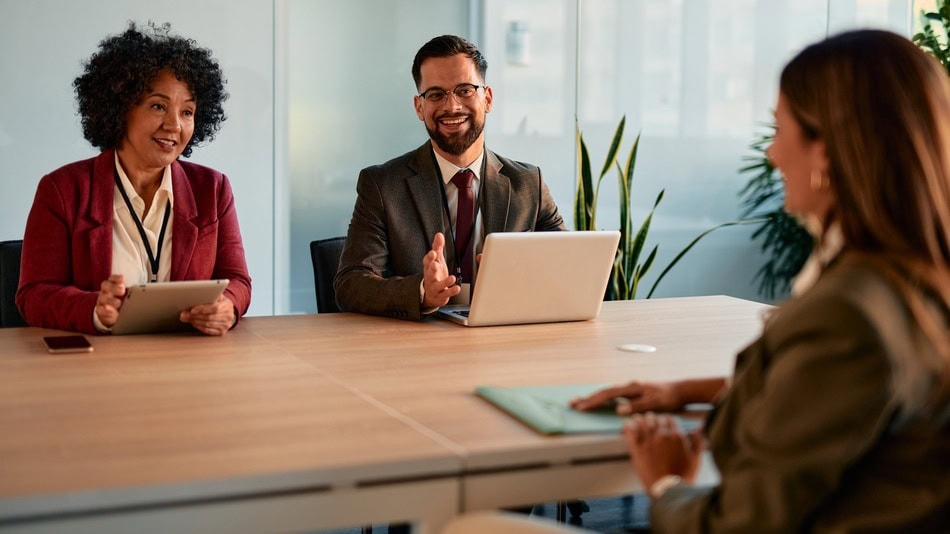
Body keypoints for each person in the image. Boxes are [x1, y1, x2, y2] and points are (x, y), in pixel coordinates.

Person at [569, 29, 950, 532]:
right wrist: (685, 389)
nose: (772, 154)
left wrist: (666, 485)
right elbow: (837, 392)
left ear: (826, 151)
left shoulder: (849, 312)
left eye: (779, 129)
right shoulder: (914, 282)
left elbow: (738, 524)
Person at [17, 22, 251, 336]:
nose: (174, 125)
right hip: (98, 358)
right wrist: (94, 308)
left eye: (187, 112)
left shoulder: (213, 188)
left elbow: (238, 280)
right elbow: (34, 295)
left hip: (189, 356)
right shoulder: (62, 190)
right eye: (158, 106)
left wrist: (227, 306)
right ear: (120, 108)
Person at [334, 34, 566, 320]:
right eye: (435, 94)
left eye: (465, 90)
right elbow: (350, 283)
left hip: (505, 337)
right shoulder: (382, 186)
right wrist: (422, 292)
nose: (452, 106)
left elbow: (567, 268)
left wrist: (523, 275)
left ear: (487, 98)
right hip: (418, 341)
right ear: (419, 107)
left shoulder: (529, 184)